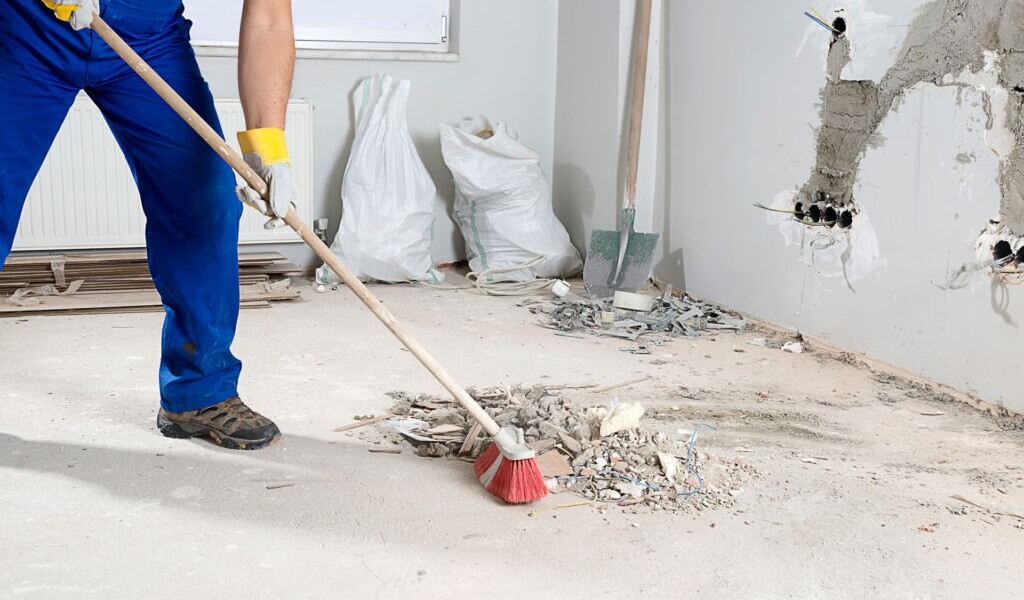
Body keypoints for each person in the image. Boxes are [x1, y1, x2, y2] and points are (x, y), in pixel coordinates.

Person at [0, 0, 298, 450]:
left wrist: (268, 147)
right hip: (28, 27)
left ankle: (199, 393)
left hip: (148, 33)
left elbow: (270, 19)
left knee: (206, 200)